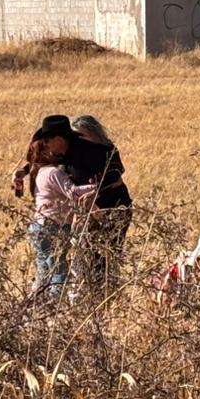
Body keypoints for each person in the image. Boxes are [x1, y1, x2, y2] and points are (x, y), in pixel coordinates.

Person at [26, 136, 98, 295]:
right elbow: (74, 193)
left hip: (38, 226)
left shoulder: (40, 173)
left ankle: (37, 302)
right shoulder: (54, 173)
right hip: (53, 226)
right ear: (47, 152)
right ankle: (55, 302)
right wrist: (96, 186)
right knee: (59, 270)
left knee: (43, 270)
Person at [68, 114, 132, 287]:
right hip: (88, 211)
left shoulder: (108, 149)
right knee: (87, 254)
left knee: (109, 253)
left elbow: (115, 177)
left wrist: (93, 191)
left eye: (81, 135)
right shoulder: (74, 153)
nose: (78, 139)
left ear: (93, 132)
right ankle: (93, 290)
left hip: (114, 208)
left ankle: (106, 290)